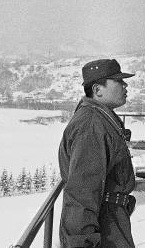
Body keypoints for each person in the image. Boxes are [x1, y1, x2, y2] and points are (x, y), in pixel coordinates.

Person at [58, 58, 137, 248]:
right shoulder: (91, 125)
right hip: (105, 223)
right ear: (97, 90)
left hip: (111, 219)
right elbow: (82, 192)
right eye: (118, 81)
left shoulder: (99, 118)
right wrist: (81, 243)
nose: (125, 85)